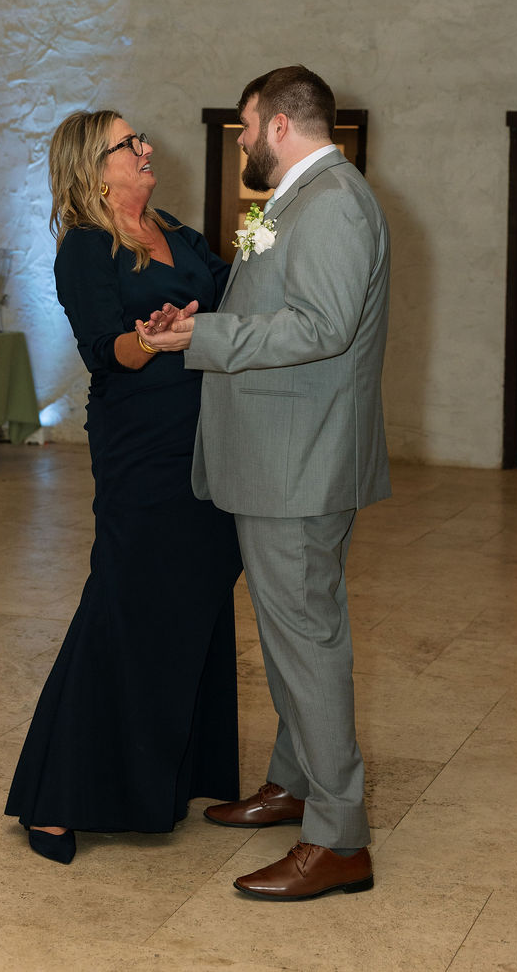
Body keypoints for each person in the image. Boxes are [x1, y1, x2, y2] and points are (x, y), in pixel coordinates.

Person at [138, 65, 391, 901]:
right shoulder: (301, 199)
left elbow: (321, 326)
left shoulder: (334, 204)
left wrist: (203, 338)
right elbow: (275, 300)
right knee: (291, 634)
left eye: (246, 125)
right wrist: (199, 321)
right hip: (284, 452)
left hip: (300, 457)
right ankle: (293, 784)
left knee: (307, 641)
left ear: (279, 123)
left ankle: (338, 834)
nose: (241, 139)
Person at [5, 110, 242, 864]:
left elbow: (229, 286)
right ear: (92, 166)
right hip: (143, 444)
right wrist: (156, 334)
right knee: (125, 597)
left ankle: (176, 774)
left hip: (208, 435)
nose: (146, 149)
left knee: (197, 592)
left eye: (141, 140)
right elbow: (106, 350)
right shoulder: (83, 247)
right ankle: (55, 794)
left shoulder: (171, 225)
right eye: (128, 143)